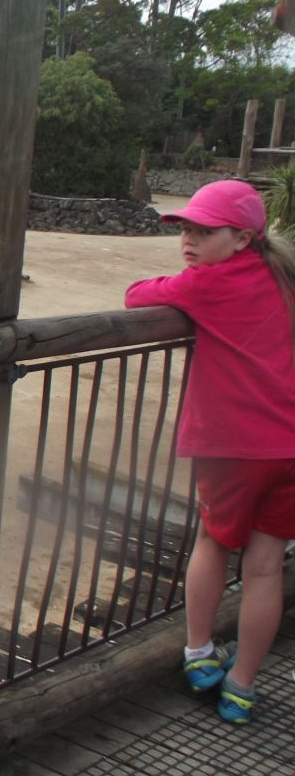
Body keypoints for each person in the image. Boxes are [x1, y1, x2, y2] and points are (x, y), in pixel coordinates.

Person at [125, 179, 295, 725]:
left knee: (213, 544)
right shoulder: (282, 278)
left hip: (234, 449)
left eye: (204, 231)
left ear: (242, 238)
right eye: (185, 230)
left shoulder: (209, 284)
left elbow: (137, 296)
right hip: (289, 448)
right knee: (265, 569)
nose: (189, 241)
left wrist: (182, 281)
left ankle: (199, 655)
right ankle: (241, 688)